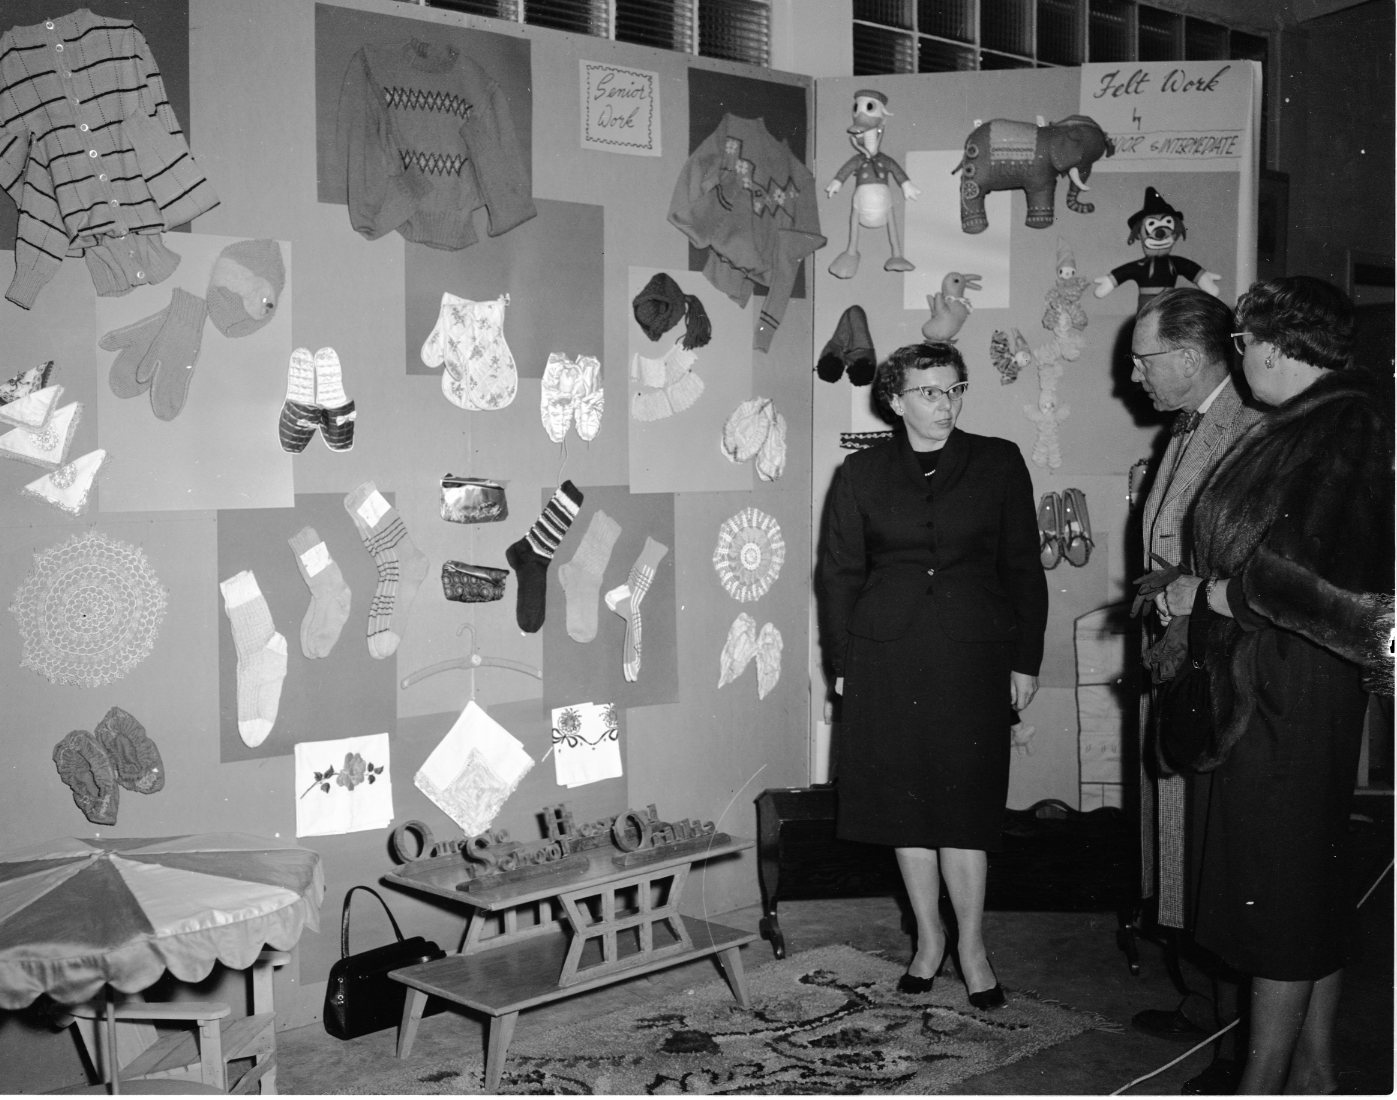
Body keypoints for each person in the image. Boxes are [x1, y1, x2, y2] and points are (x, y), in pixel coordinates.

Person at [1158, 276, 1393, 1093]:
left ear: (1276, 344)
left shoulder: (1342, 423)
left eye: (1242, 342)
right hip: (1275, 684)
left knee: (1281, 897)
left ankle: (1263, 1088)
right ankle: (1313, 1075)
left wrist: (1209, 594)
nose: (1239, 357)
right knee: (1300, 892)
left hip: (1291, 692)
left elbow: (1323, 582)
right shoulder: (1314, 418)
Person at [818, 341, 1048, 1007]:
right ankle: (928, 939)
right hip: (885, 656)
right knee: (906, 810)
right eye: (928, 392)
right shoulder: (860, 473)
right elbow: (839, 575)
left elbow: (1022, 565)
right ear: (895, 401)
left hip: (971, 656)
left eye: (954, 389)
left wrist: (1025, 658)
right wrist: (842, 666)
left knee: (965, 809)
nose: (945, 404)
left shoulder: (998, 461)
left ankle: (972, 947)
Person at [1127, 289, 1262, 1065]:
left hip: (1214, 666)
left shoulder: (1246, 427)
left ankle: (1237, 1032)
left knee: (1215, 848)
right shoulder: (1184, 424)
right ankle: (1207, 1002)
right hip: (1175, 660)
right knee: (1177, 838)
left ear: (1184, 357)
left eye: (1142, 360)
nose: (1134, 374)